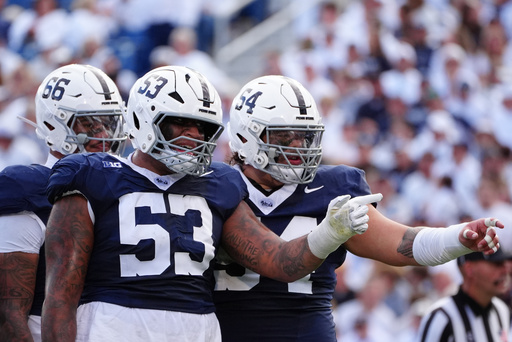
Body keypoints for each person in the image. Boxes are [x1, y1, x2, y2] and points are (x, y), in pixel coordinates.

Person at [41, 65, 387, 342]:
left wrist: (329, 232)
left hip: (198, 326)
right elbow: (60, 295)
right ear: (143, 118)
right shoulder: (92, 174)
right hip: (113, 323)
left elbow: (280, 261)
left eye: (203, 128)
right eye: (180, 122)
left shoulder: (218, 183)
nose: (193, 135)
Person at [212, 74, 504, 342]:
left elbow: (401, 243)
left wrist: (457, 237)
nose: (298, 145)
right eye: (285, 137)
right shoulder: (213, 188)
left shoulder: (333, 188)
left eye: (304, 135)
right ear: (244, 138)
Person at [0, 63, 126, 341]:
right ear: (51, 125)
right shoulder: (27, 187)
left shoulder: (125, 185)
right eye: (88, 123)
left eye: (108, 123)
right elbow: (8, 314)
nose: (103, 135)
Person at [417, 249, 511, 341]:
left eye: (505, 263)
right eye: (497, 263)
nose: (506, 270)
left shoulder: (502, 310)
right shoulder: (441, 317)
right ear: (469, 268)